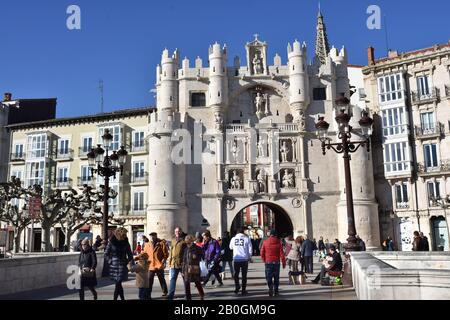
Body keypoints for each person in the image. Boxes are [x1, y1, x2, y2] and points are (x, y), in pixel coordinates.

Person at [104, 227, 134, 300]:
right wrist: (110, 261)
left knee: (118, 283)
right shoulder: (112, 241)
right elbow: (106, 254)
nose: (125, 235)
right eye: (124, 234)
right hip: (113, 266)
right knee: (118, 284)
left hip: (122, 266)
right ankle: (122, 298)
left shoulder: (126, 242)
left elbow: (130, 254)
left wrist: (126, 261)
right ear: (120, 234)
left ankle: (115, 298)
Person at [260, 229, 286, 297]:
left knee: (269, 276)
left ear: (270, 234)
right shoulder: (279, 242)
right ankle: (276, 291)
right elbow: (282, 254)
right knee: (276, 277)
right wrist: (283, 263)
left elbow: (261, 252)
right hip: (276, 263)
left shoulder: (265, 242)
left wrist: (264, 260)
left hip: (268, 262)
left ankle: (270, 287)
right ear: (275, 235)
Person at [143, 232, 169, 298]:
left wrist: (162, 261)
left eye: (153, 236)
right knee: (149, 280)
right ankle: (148, 294)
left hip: (159, 265)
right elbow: (144, 253)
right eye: (151, 236)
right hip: (151, 265)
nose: (152, 238)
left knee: (161, 279)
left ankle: (165, 292)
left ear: (156, 236)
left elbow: (166, 254)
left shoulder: (161, 243)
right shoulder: (147, 244)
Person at [229, 227, 253, 295]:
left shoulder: (233, 239)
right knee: (244, 275)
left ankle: (237, 287)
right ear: (243, 232)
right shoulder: (246, 239)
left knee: (236, 274)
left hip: (236, 259)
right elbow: (250, 249)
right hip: (244, 259)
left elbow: (230, 247)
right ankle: (243, 289)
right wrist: (249, 257)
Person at [182, 235, 205, 300]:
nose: (187, 243)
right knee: (186, 283)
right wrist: (183, 270)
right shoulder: (186, 249)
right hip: (186, 268)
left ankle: (201, 294)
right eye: (187, 242)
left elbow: (202, 257)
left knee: (197, 282)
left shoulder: (198, 248)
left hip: (195, 267)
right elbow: (184, 260)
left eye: (188, 242)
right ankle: (188, 298)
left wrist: (196, 257)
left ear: (192, 241)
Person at [167, 227, 187, 300]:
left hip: (182, 264)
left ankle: (187, 294)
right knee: (172, 280)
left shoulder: (184, 240)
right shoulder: (173, 240)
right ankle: (170, 296)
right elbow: (171, 251)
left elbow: (186, 252)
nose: (177, 232)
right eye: (176, 231)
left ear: (181, 232)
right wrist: (169, 262)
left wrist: (185, 262)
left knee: (185, 280)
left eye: (178, 231)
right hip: (173, 263)